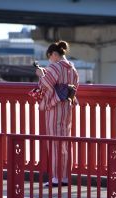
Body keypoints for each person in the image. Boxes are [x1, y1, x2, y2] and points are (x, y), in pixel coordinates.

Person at [35, 40, 79, 186]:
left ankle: (56, 178)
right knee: (65, 141)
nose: (49, 60)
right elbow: (75, 86)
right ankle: (65, 177)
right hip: (67, 106)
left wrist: (41, 74)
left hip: (55, 107)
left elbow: (46, 84)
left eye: (49, 56)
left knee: (55, 142)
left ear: (54, 54)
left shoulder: (55, 67)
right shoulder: (72, 68)